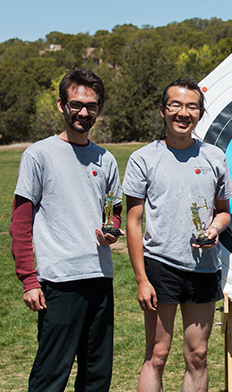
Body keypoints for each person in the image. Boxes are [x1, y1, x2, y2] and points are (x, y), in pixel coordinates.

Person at [9, 68, 123, 391]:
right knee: (51, 375)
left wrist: (111, 229)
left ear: (99, 110)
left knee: (97, 376)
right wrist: (29, 280)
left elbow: (114, 211)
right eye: (76, 104)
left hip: (100, 279)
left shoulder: (106, 159)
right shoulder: (38, 155)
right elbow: (20, 223)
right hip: (58, 281)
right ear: (62, 105)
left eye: (91, 106)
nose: (83, 112)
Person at [123, 78, 232, 391]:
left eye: (191, 107)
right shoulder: (143, 159)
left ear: (200, 114)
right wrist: (142, 280)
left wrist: (214, 227)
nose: (183, 113)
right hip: (160, 266)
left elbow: (223, 211)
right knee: (157, 354)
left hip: (204, 267)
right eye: (176, 105)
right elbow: (133, 222)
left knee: (197, 355)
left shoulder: (214, 157)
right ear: (162, 110)